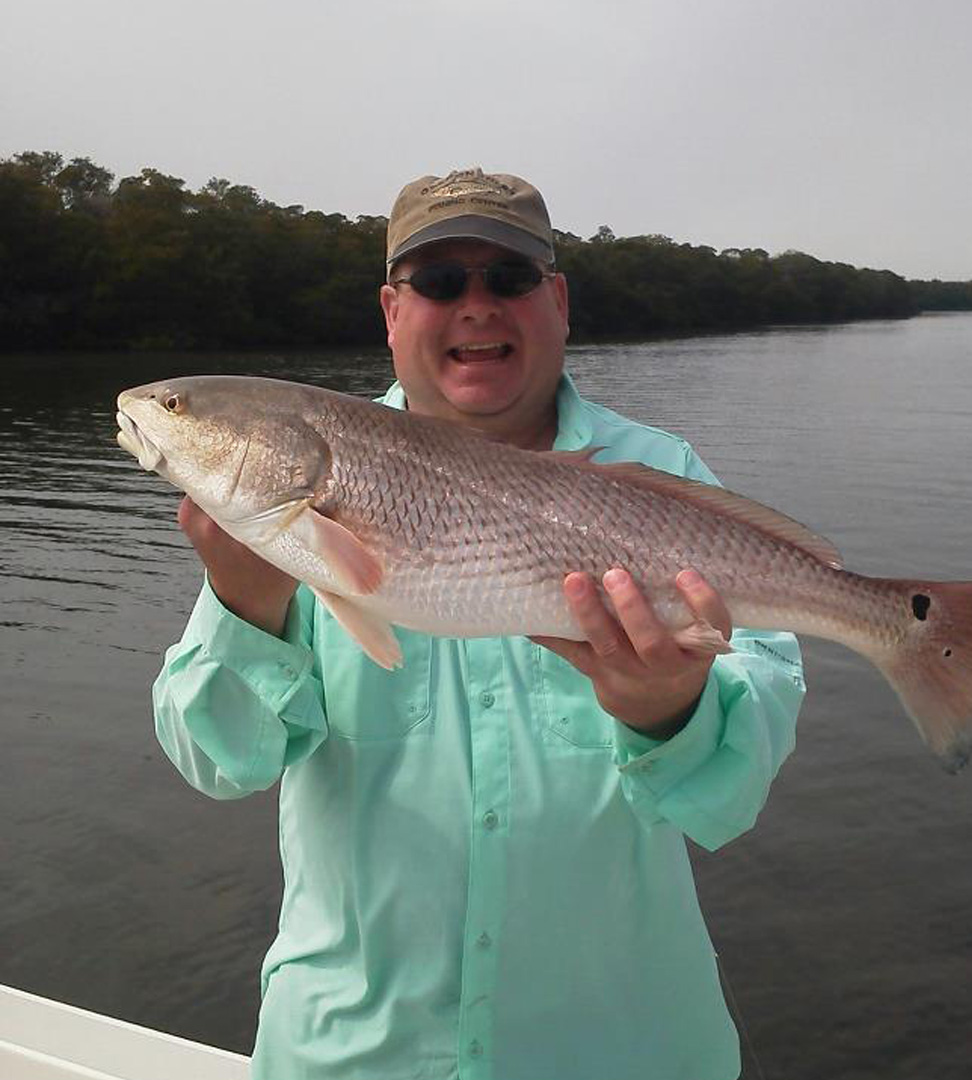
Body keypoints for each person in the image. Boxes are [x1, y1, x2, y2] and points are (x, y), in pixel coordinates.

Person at [154, 167, 804, 1080]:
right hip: (354, 1051)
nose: (476, 306)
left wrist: (672, 712)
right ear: (391, 310)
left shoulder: (663, 477)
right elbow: (220, 762)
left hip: (624, 1047)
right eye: (438, 282)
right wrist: (246, 605)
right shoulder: (281, 508)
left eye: (508, 279)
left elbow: (730, 796)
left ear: (559, 300)